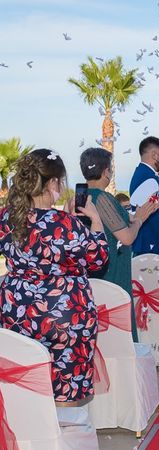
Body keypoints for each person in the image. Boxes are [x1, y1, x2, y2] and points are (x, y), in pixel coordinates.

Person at [0, 149, 109, 405]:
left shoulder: (6, 217)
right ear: (51, 183)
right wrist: (94, 221)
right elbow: (98, 259)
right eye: (60, 181)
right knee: (66, 389)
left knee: (26, 384)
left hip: (15, 311)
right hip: (64, 317)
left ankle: (35, 438)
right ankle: (63, 439)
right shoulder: (65, 224)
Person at [80, 148, 159, 341]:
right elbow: (126, 238)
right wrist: (140, 219)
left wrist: (134, 217)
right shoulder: (103, 198)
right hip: (112, 268)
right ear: (106, 171)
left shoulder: (82, 196)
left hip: (90, 269)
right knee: (117, 321)